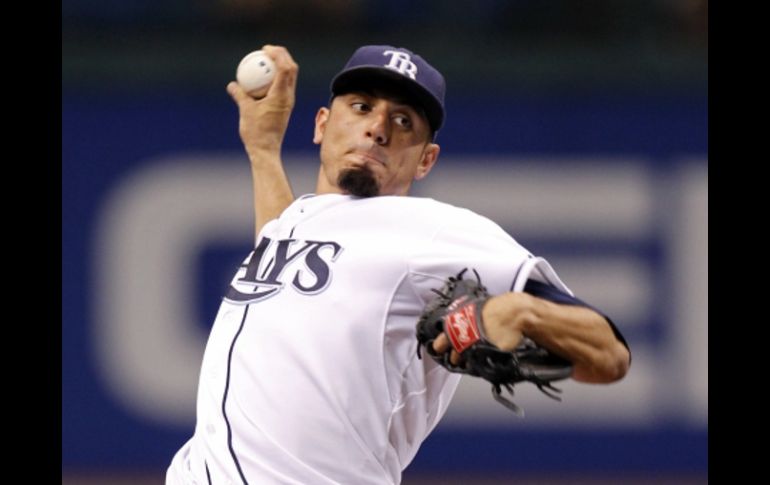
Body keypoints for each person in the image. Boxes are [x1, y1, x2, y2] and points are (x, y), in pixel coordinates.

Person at [166, 44, 631, 485]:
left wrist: (525, 312)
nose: (378, 128)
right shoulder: (298, 221)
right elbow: (281, 255)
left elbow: (610, 353)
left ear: (426, 160)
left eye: (403, 120)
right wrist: (263, 150)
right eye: (362, 107)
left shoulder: (431, 230)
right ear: (322, 124)